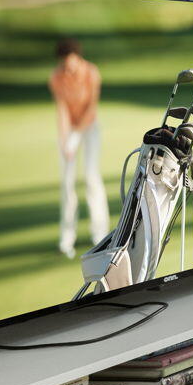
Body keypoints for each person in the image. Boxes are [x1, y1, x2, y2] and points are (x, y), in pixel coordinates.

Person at [49, 38, 108, 257]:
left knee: (91, 177)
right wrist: (66, 140)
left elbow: (91, 108)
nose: (68, 67)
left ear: (77, 57)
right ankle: (66, 240)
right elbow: (62, 110)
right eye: (64, 63)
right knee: (67, 183)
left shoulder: (91, 72)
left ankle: (100, 234)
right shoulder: (56, 77)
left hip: (90, 128)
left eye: (71, 62)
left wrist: (76, 138)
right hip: (69, 130)